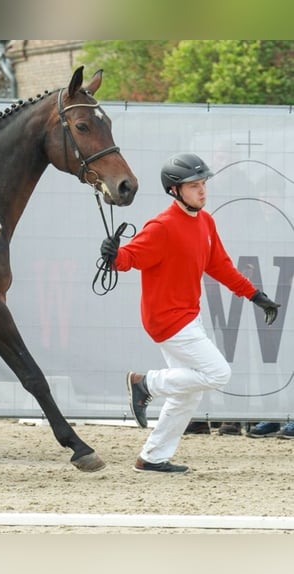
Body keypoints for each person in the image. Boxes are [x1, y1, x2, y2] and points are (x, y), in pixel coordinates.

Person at [100, 152, 281, 473]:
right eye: (194, 185)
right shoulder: (161, 226)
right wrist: (112, 255)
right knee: (217, 373)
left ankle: (152, 457)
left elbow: (221, 266)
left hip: (187, 315)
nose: (202, 190)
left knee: (189, 393)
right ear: (174, 190)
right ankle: (145, 384)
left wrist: (255, 295)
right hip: (167, 319)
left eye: (203, 184)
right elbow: (128, 259)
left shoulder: (205, 222)